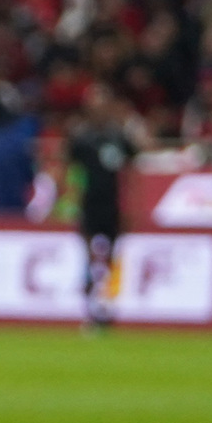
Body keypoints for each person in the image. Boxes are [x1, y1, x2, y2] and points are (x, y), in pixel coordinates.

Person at [66, 83, 144, 328]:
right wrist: (70, 203)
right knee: (89, 258)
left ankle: (107, 308)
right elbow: (72, 173)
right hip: (89, 204)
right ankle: (89, 310)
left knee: (112, 259)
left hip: (113, 205)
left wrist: (131, 206)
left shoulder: (119, 137)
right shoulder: (82, 138)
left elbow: (131, 173)